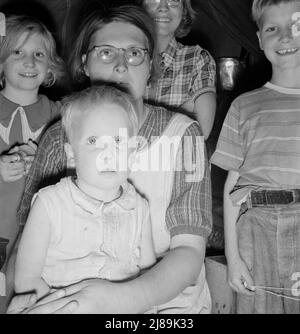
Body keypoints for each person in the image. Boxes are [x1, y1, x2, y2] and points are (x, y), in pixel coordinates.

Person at [9, 5, 212, 314]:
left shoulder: (184, 135)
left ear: (151, 66)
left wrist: (122, 300)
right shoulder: (59, 137)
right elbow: (27, 243)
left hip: (168, 308)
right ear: (84, 63)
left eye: (134, 53)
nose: (121, 66)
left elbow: (188, 250)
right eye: (105, 52)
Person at [14, 85, 156, 300]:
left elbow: (149, 278)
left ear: (133, 153)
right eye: (93, 141)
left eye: (118, 141)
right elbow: (26, 280)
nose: (108, 153)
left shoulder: (140, 208)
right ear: (71, 155)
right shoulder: (49, 204)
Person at [211, 0, 300, 313]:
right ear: (260, 40)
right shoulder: (243, 105)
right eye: (273, 28)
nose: (286, 36)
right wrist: (233, 259)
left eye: (296, 24)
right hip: (255, 226)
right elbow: (231, 188)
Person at [0, 15, 64, 256]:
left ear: (50, 66)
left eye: (39, 54)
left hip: (40, 236)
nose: (29, 62)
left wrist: (45, 160)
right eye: (17, 52)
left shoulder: (60, 113)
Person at [140, 0, 216, 140]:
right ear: (140, 6)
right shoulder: (125, 58)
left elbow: (199, 132)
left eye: (173, 0)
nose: (163, 7)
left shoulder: (197, 58)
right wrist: (181, 116)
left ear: (184, 10)